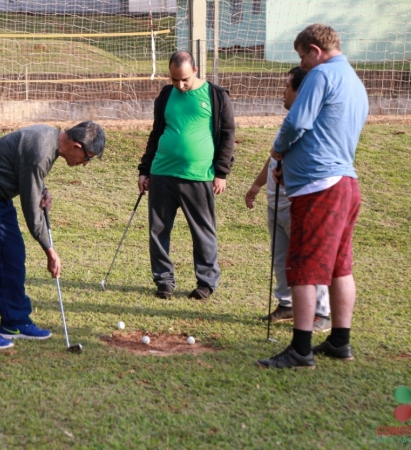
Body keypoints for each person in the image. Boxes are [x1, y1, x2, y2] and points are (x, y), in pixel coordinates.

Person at [257, 24, 369, 369]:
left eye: (302, 55)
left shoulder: (321, 76)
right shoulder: (355, 81)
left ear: (315, 50)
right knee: (339, 267)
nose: (302, 64)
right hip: (345, 183)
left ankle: (301, 350)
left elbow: (296, 123)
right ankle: (339, 341)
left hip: (319, 188)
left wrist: (278, 152)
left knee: (303, 268)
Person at [0, 121, 105, 349]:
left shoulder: (50, 143)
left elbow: (27, 175)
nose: (85, 164)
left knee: (12, 254)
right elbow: (30, 209)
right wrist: (50, 251)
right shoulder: (41, 150)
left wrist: (42, 191)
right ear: (77, 146)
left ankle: (14, 320)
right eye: (88, 158)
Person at [138, 51, 236, 300]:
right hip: (162, 173)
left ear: (195, 69)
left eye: (184, 80)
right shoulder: (165, 95)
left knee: (203, 231)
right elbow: (156, 133)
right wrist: (145, 169)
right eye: (174, 80)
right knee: (158, 231)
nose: (179, 86)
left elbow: (227, 135)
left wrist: (222, 172)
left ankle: (206, 283)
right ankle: (164, 282)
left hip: (199, 176)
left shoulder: (216, 96)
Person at [245, 67, 331, 333]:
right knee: (281, 259)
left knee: (307, 260)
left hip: (298, 205)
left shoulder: (305, 124)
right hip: (275, 205)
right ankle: (286, 305)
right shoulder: (289, 121)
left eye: (287, 86)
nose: (283, 91)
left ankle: (322, 313)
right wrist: (258, 185)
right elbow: (275, 159)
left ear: (301, 91)